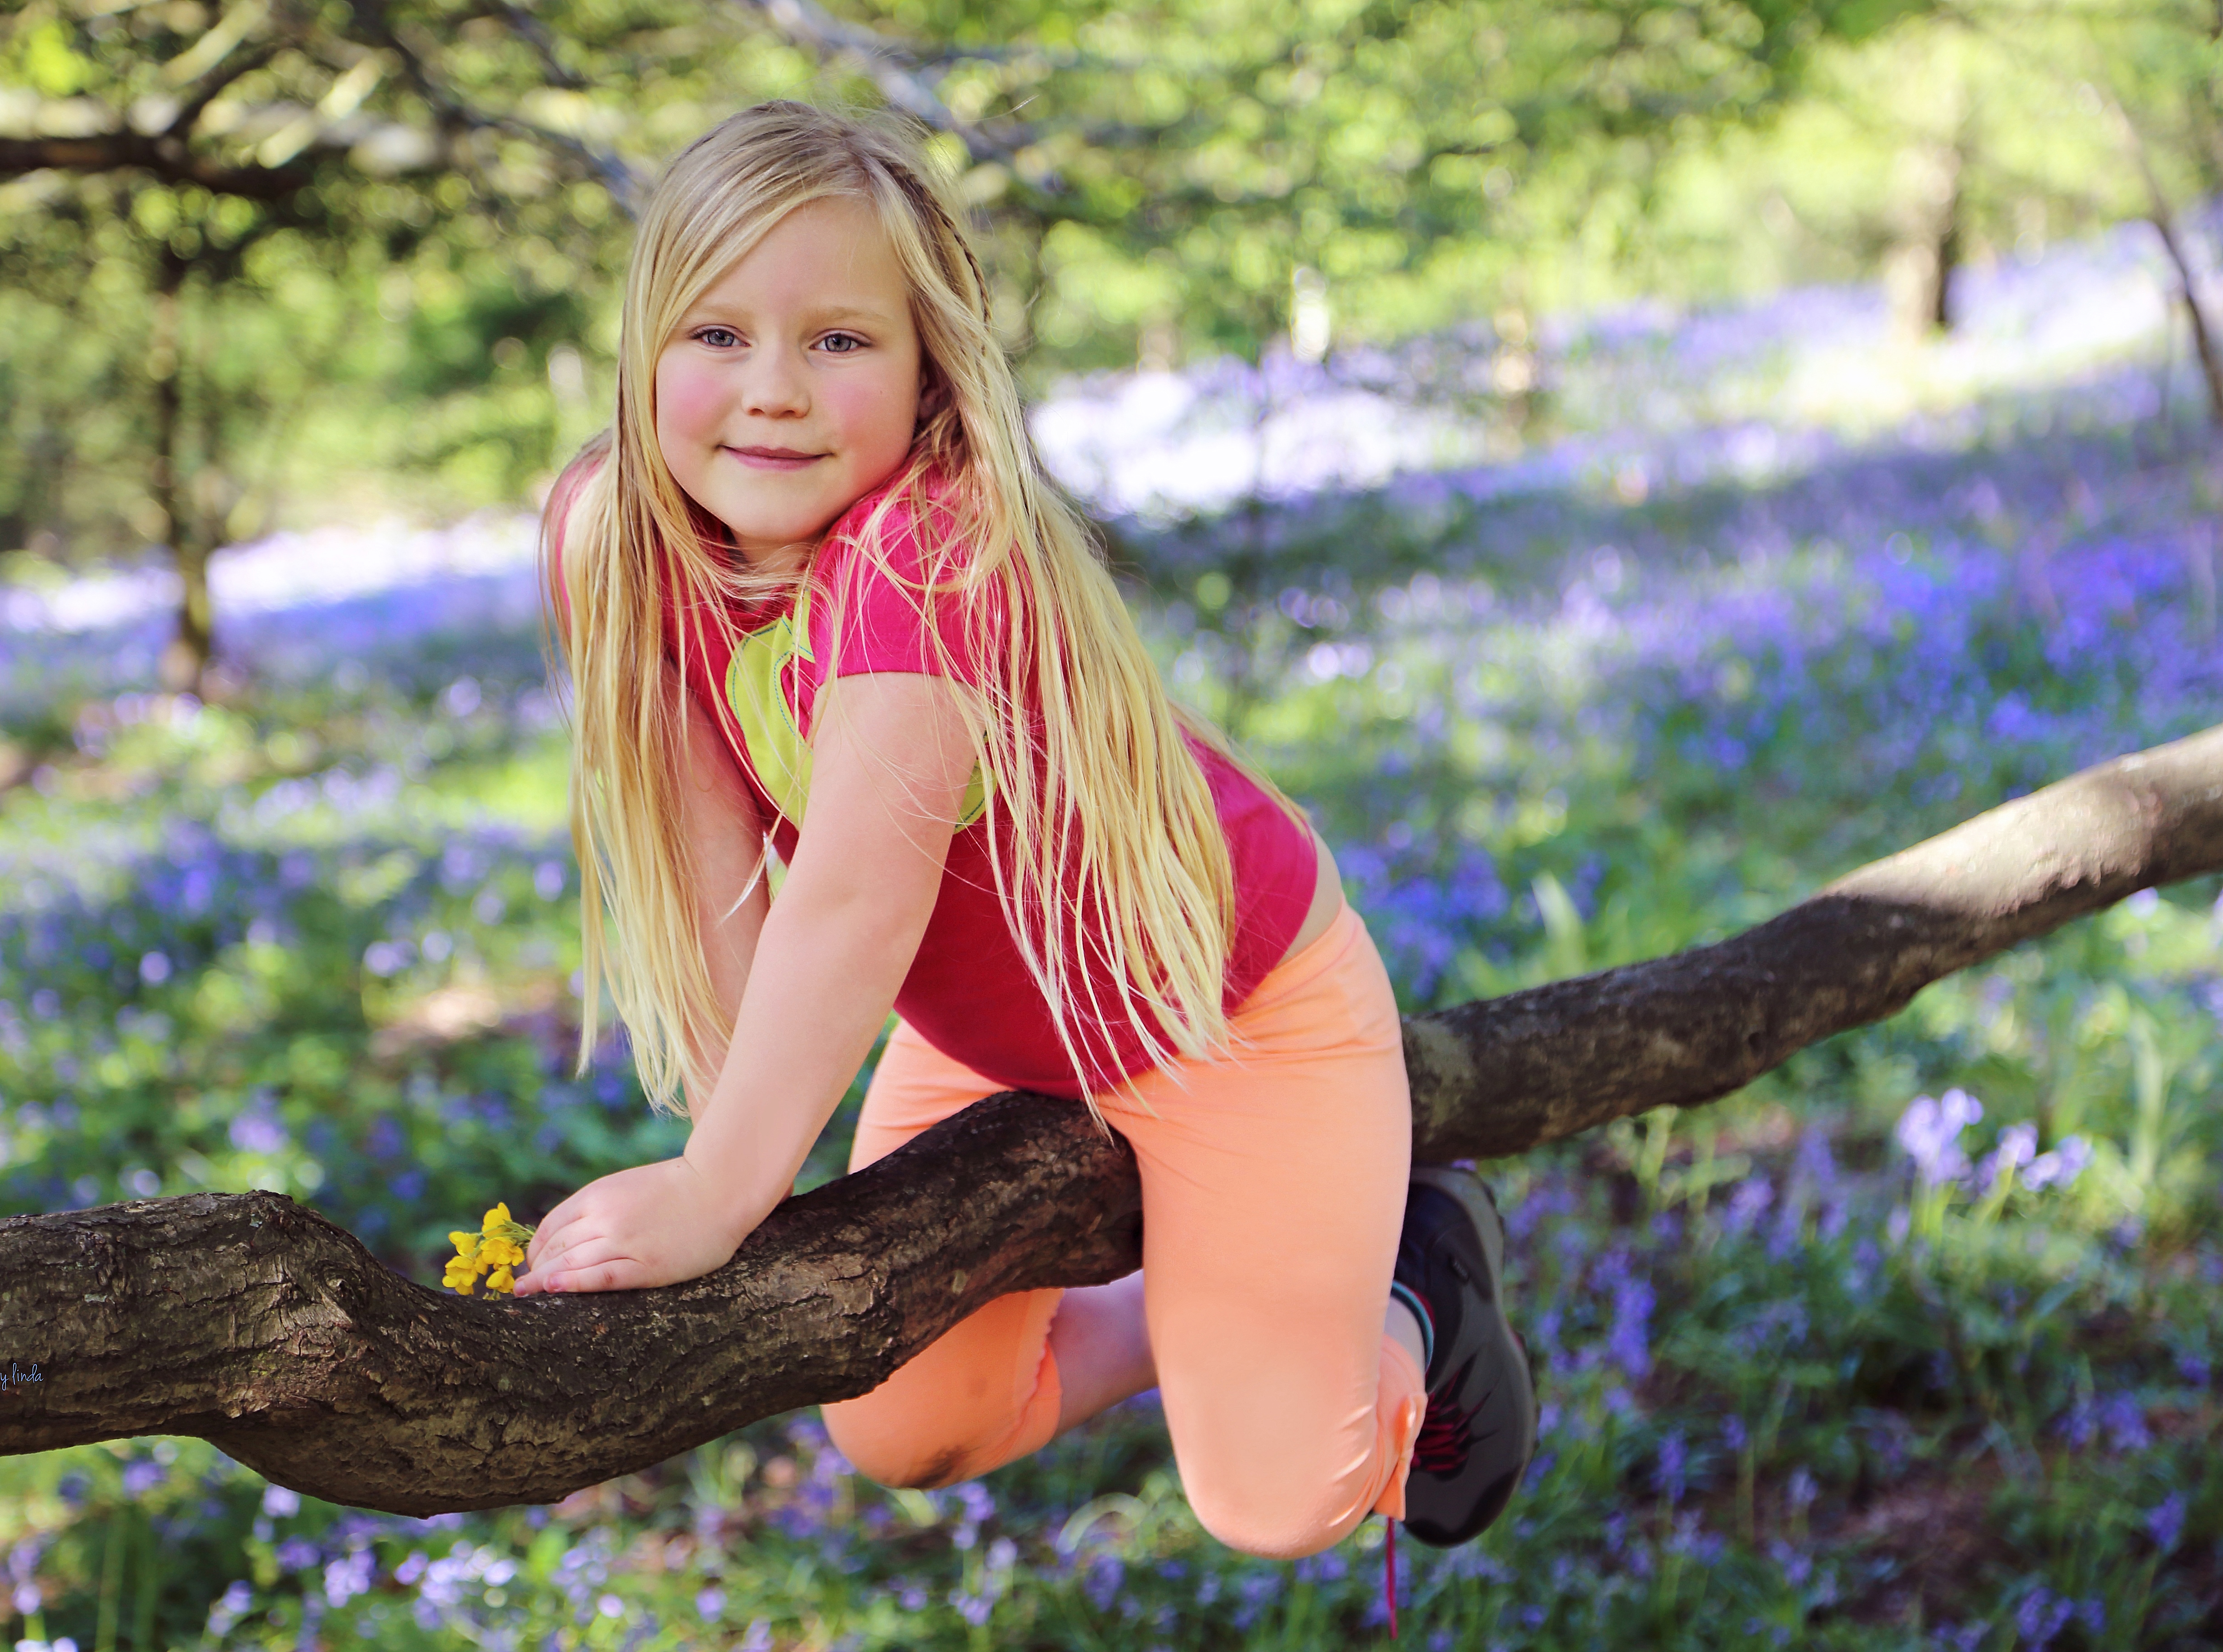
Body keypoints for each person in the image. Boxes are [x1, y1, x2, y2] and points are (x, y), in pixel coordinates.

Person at [516, 99, 1534, 1563]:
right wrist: (737, 1160)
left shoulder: (931, 549)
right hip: (1001, 1036)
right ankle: (1195, 1306)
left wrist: (711, 1193)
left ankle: (1412, 1281)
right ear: (642, 349)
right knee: (905, 1428)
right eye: (717, 334)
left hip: (1221, 1011)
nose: (775, 391)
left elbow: (858, 900)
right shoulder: (621, 535)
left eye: (841, 341)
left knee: (1275, 1501)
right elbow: (712, 849)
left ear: (931, 367)